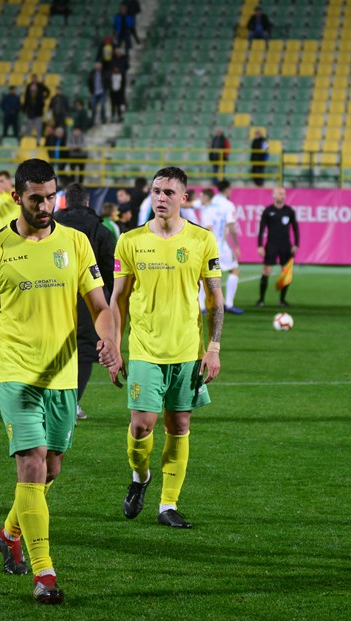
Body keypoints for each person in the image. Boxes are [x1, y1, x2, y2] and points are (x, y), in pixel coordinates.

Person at [0, 159, 121, 604]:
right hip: (15, 374)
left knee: (52, 468)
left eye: (50, 196)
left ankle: (8, 533)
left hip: (63, 376)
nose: (44, 205)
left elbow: (100, 305)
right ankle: (45, 573)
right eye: (36, 198)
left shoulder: (75, 242)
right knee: (32, 465)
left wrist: (111, 340)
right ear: (16, 197)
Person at [112, 166, 223, 530]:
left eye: (169, 192)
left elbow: (215, 299)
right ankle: (140, 477)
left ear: (183, 198)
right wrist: (113, 345)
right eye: (156, 191)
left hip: (188, 351)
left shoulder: (202, 240)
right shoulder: (130, 240)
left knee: (179, 425)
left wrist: (213, 347)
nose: (161, 198)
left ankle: (168, 505)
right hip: (145, 349)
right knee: (141, 426)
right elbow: (118, 298)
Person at [55, 182, 117, 420]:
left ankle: (48, 401)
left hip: (54, 294)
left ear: (65, 201)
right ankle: (72, 403)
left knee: (53, 346)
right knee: (83, 350)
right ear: (88, 203)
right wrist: (108, 299)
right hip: (88, 297)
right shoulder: (101, 229)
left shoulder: (52, 225)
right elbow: (110, 269)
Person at [204, 181, 243, 313]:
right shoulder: (228, 205)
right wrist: (236, 246)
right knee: (234, 270)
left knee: (207, 275)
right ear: (227, 190)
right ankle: (229, 304)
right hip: (221, 244)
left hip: (208, 244)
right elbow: (231, 227)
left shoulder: (210, 202)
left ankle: (204, 306)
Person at [256, 187, 299, 307]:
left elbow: (295, 229)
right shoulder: (268, 211)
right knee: (266, 270)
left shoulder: (289, 211)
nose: (283, 196)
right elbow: (261, 229)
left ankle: (282, 300)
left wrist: (296, 244)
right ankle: (261, 300)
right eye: (280, 194)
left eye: (284, 194)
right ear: (274, 195)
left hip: (286, 245)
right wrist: (260, 245)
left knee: (286, 272)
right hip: (271, 244)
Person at [0, 169, 20, 234]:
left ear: (9, 181)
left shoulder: (18, 193)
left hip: (14, 231)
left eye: (1, 181)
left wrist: (8, 190)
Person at [22, 75, 50, 139]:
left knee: (38, 128)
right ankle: (28, 140)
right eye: (33, 79)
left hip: (38, 112)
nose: (34, 80)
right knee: (29, 128)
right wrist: (24, 109)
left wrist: (44, 98)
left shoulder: (41, 86)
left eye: (35, 79)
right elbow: (26, 99)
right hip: (30, 112)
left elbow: (48, 91)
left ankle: (38, 141)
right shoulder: (28, 86)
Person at [87, 62, 106, 127]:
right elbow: (89, 82)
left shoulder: (103, 73)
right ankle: (92, 121)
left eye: (99, 66)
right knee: (93, 108)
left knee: (102, 106)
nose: (98, 67)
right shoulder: (92, 73)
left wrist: (106, 89)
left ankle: (103, 119)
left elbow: (107, 81)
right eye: (97, 66)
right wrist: (91, 91)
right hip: (94, 93)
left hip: (102, 92)